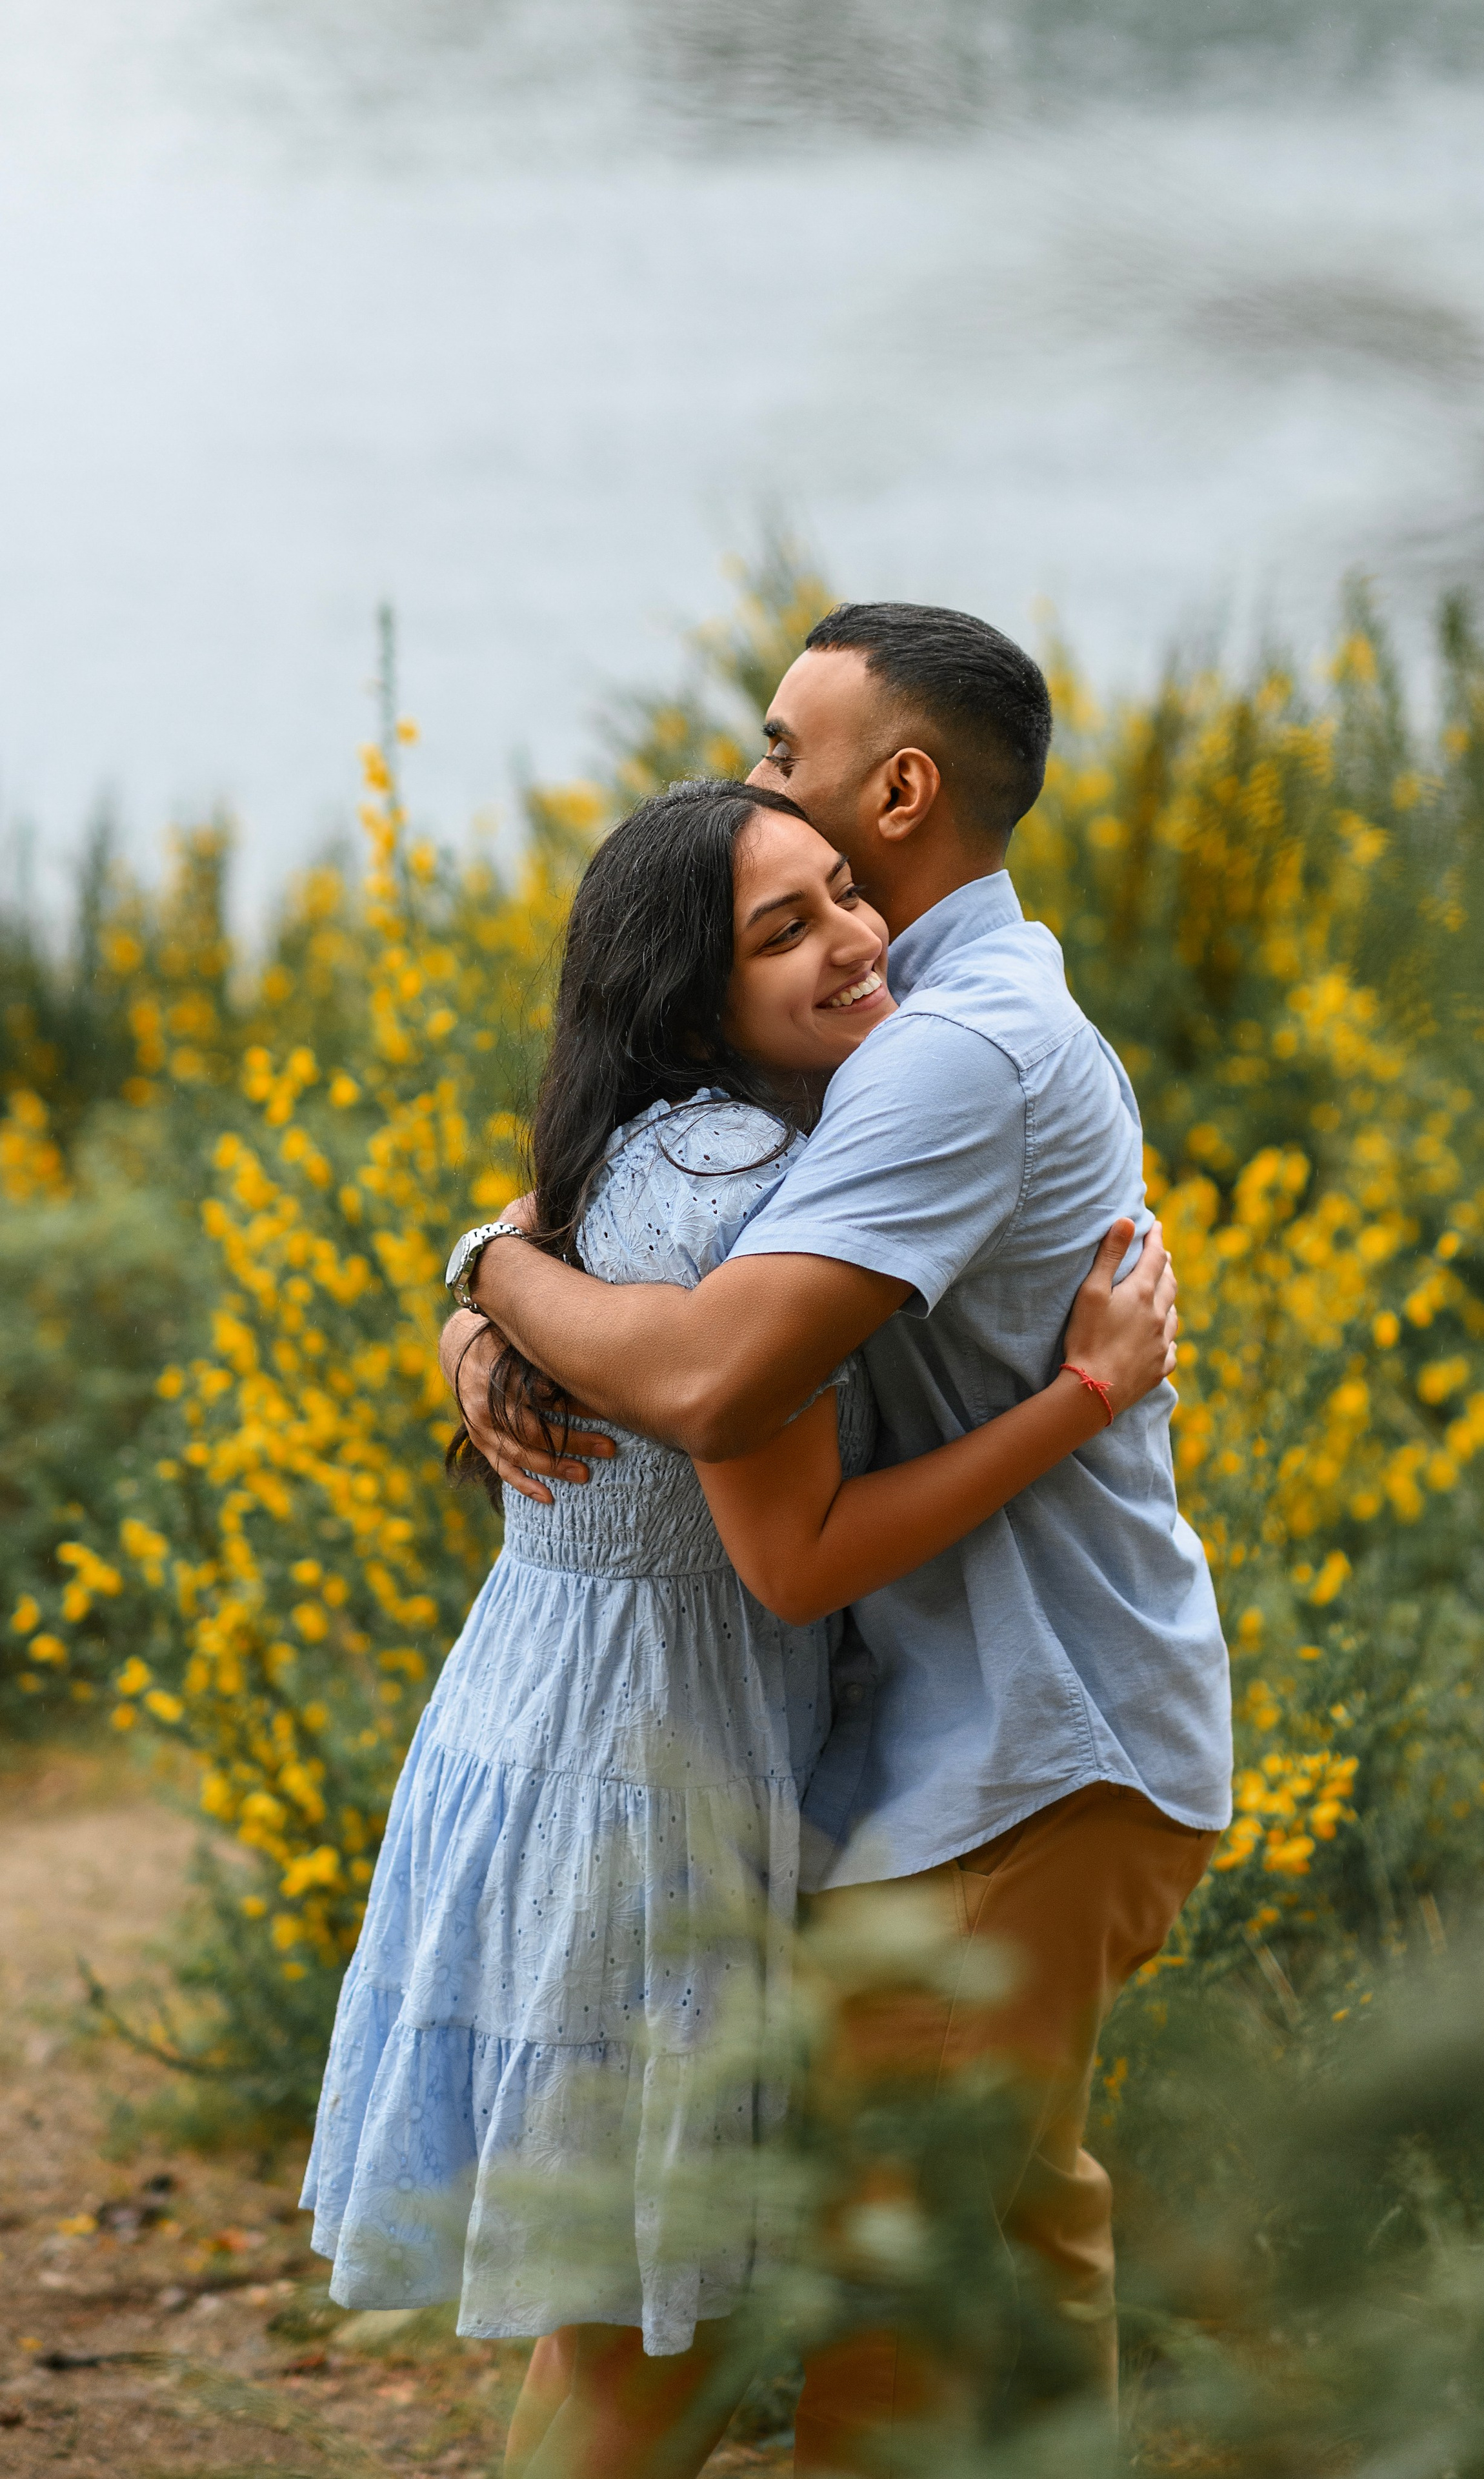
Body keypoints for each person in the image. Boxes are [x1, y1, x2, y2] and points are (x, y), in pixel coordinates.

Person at [303, 775, 1179, 2479]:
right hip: (649, 1790)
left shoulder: (647, 1138)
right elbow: (799, 1562)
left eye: (848, 889)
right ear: (692, 997)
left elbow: (553, 1262)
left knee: (610, 2333)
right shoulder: (744, 1187)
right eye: (787, 928)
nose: (858, 936)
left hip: (546, 1745)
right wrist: (1086, 1391)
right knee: (656, 2363)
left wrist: (480, 1272)